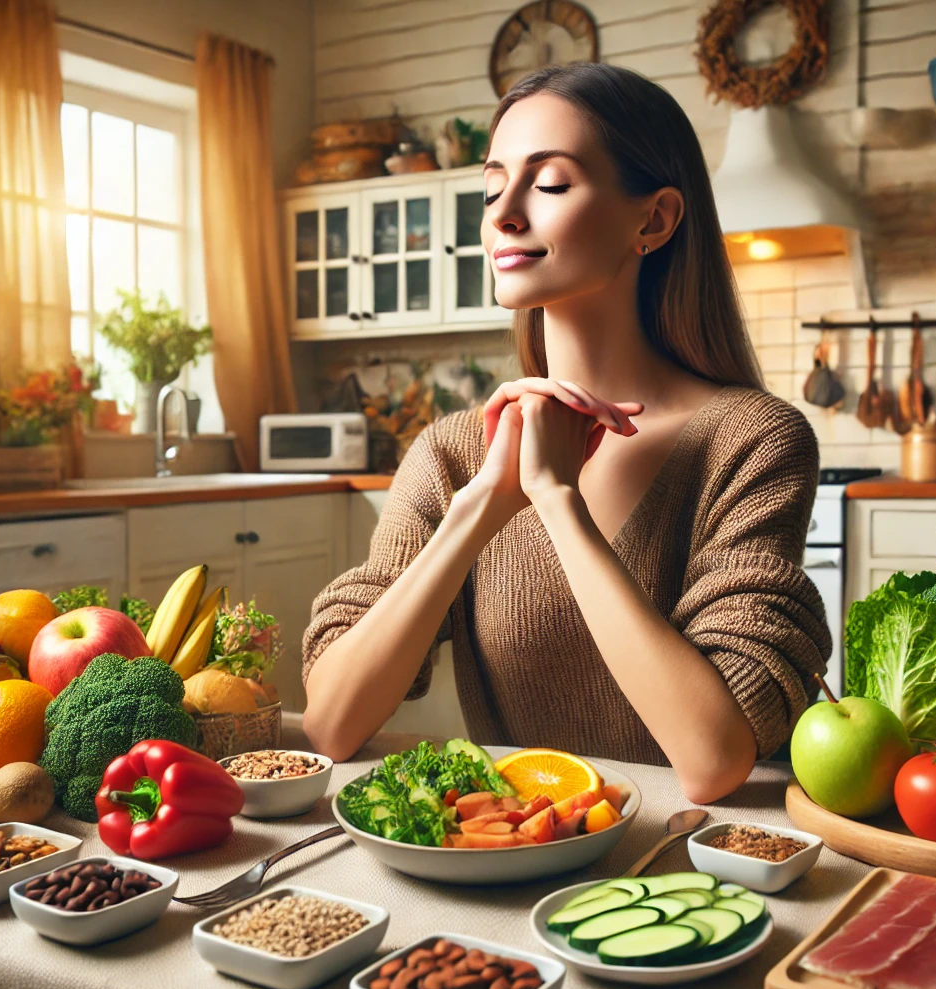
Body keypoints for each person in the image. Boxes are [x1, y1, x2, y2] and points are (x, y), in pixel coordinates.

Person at [302, 63, 831, 804]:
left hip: (690, 869)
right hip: (509, 861)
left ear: (654, 219)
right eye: (492, 190)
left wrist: (556, 498)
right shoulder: (455, 454)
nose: (504, 215)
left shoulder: (751, 439)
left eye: (548, 185)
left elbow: (713, 758)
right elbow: (331, 725)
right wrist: (483, 503)